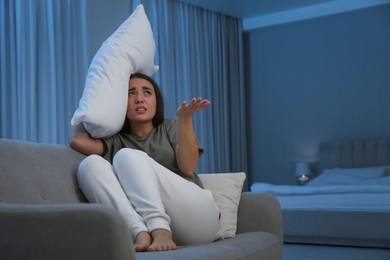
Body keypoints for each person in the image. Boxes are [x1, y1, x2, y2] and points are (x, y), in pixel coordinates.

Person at [70, 73, 220, 252]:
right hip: (162, 231)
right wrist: (91, 104)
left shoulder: (170, 126)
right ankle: (137, 231)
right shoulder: (116, 140)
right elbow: (77, 142)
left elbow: (188, 167)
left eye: (147, 92)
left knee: (126, 156)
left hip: (199, 219)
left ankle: (160, 229)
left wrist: (185, 120)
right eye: (131, 93)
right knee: (89, 165)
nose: (139, 99)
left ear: (156, 102)